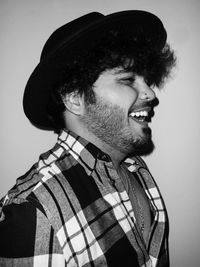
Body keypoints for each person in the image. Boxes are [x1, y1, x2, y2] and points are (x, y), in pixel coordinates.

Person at [0, 10, 176, 267]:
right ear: (74, 97)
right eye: (127, 79)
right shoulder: (35, 212)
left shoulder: (135, 168)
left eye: (146, 80)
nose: (150, 93)